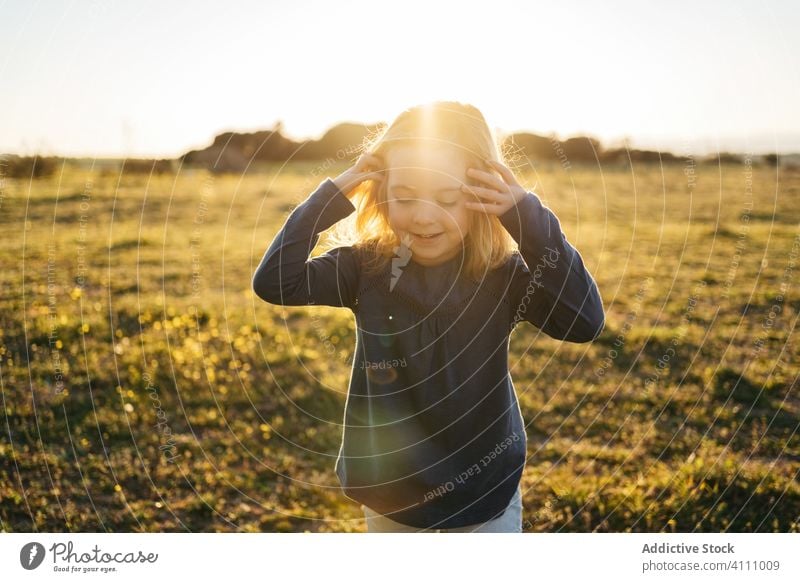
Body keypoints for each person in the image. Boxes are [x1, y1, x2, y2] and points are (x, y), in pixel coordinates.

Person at [252, 101, 605, 532]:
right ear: (380, 195)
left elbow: (584, 321)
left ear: (482, 199)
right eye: (404, 196)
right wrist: (330, 198)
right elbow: (275, 282)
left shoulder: (505, 276)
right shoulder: (365, 268)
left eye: (446, 197)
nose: (423, 215)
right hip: (392, 497)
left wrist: (528, 217)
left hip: (485, 495)